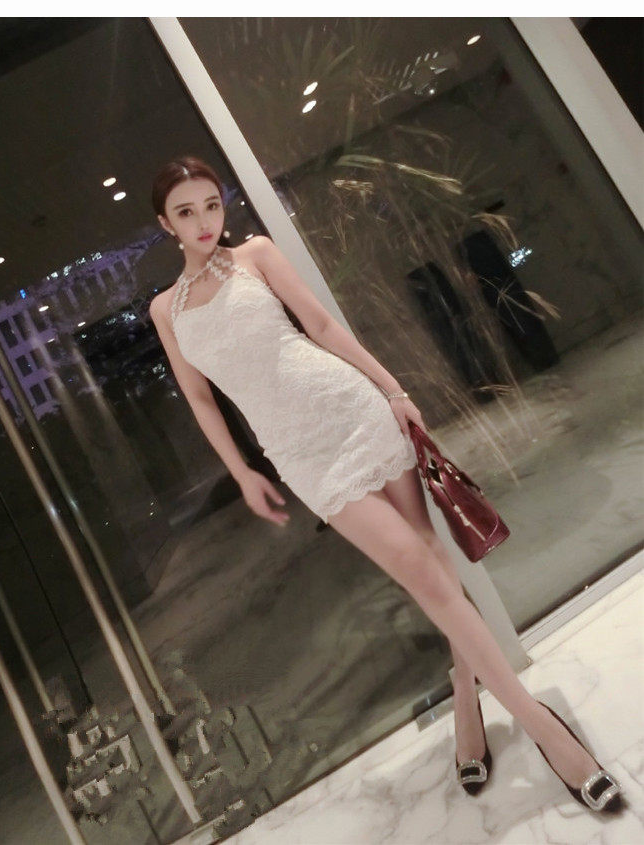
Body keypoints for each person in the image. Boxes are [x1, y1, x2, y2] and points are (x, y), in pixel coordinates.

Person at [148, 155, 624, 813]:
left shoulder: (255, 254)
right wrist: (241, 472)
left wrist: (393, 389)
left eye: (211, 204)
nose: (204, 221)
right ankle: (482, 695)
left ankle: (526, 719)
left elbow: (320, 325)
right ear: (165, 224)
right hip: (301, 455)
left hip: (350, 409)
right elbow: (201, 398)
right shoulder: (166, 310)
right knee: (419, 570)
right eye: (186, 211)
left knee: (430, 563)